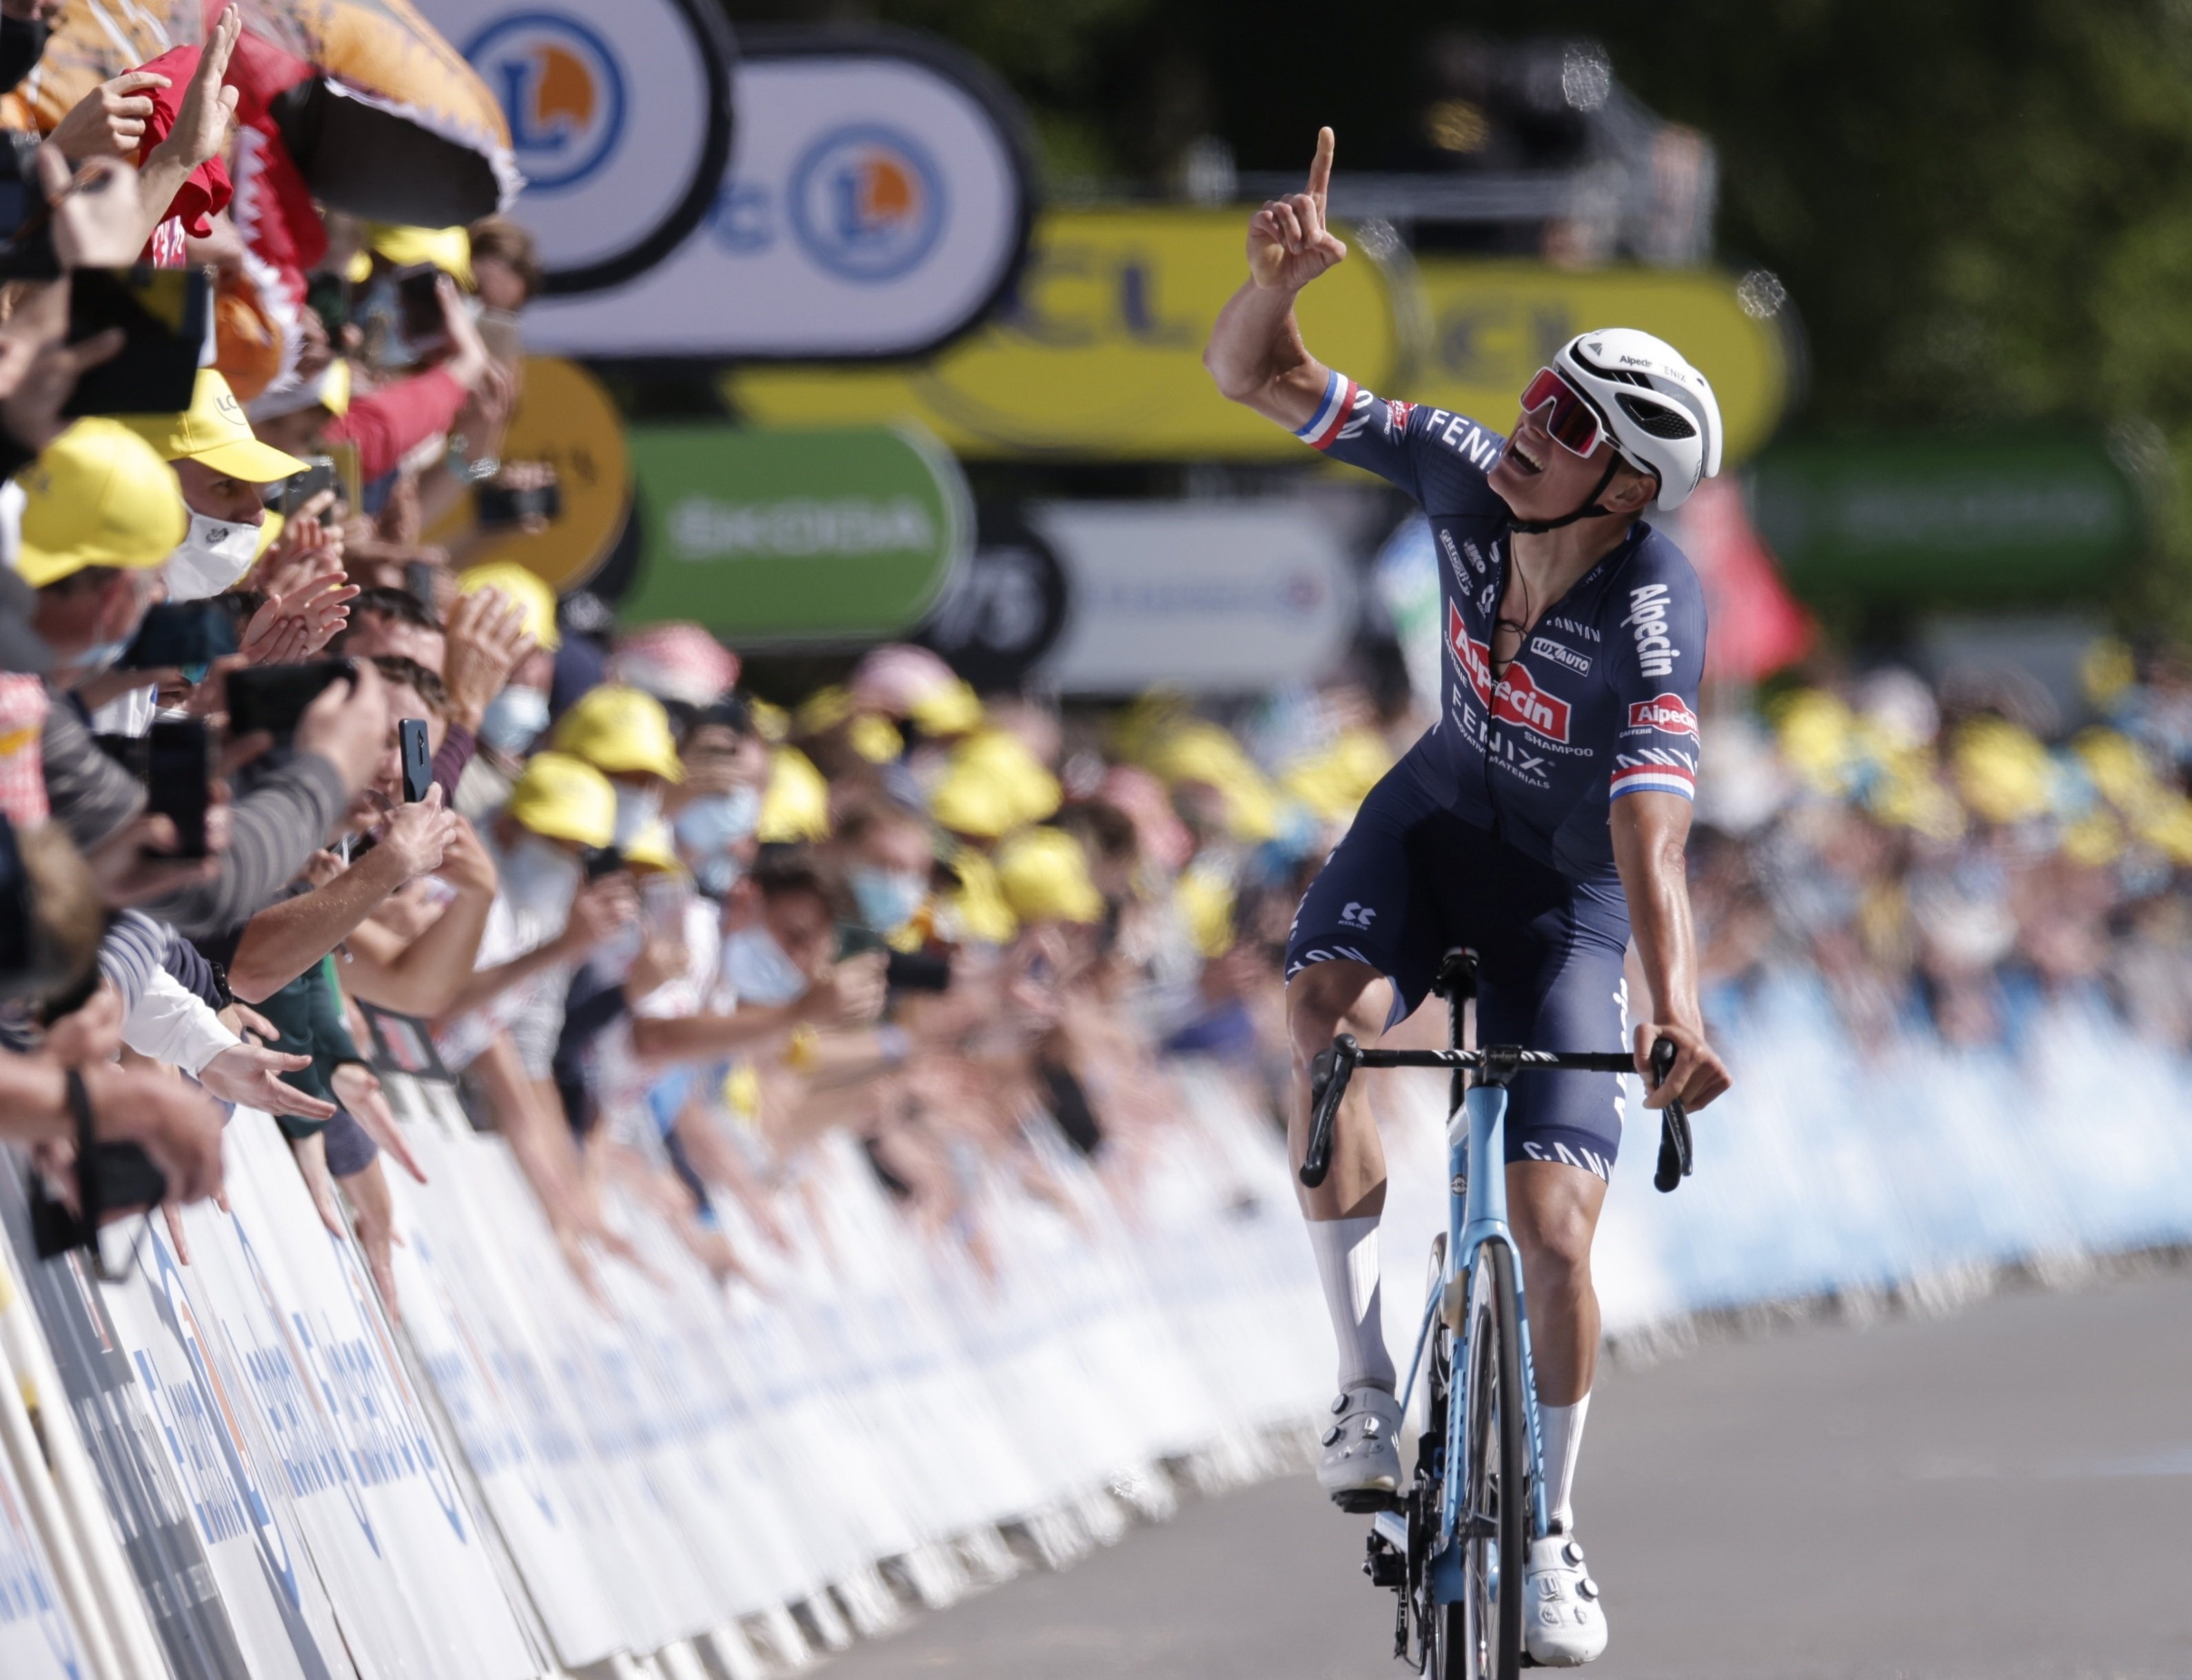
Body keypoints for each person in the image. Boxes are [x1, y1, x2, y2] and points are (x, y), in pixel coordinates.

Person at [1204, 127, 1732, 1666]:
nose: (1525, 420)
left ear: (1629, 484)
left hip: (1564, 903)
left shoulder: (1653, 611)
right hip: (1428, 823)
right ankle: (1365, 1382)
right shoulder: (1458, 472)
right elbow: (1263, 378)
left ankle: (1552, 1534)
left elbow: (1652, 831)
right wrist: (1270, 290)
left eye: (1565, 419)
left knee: (1556, 1236)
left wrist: (1674, 1006)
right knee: (1327, 1028)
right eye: (1539, 388)